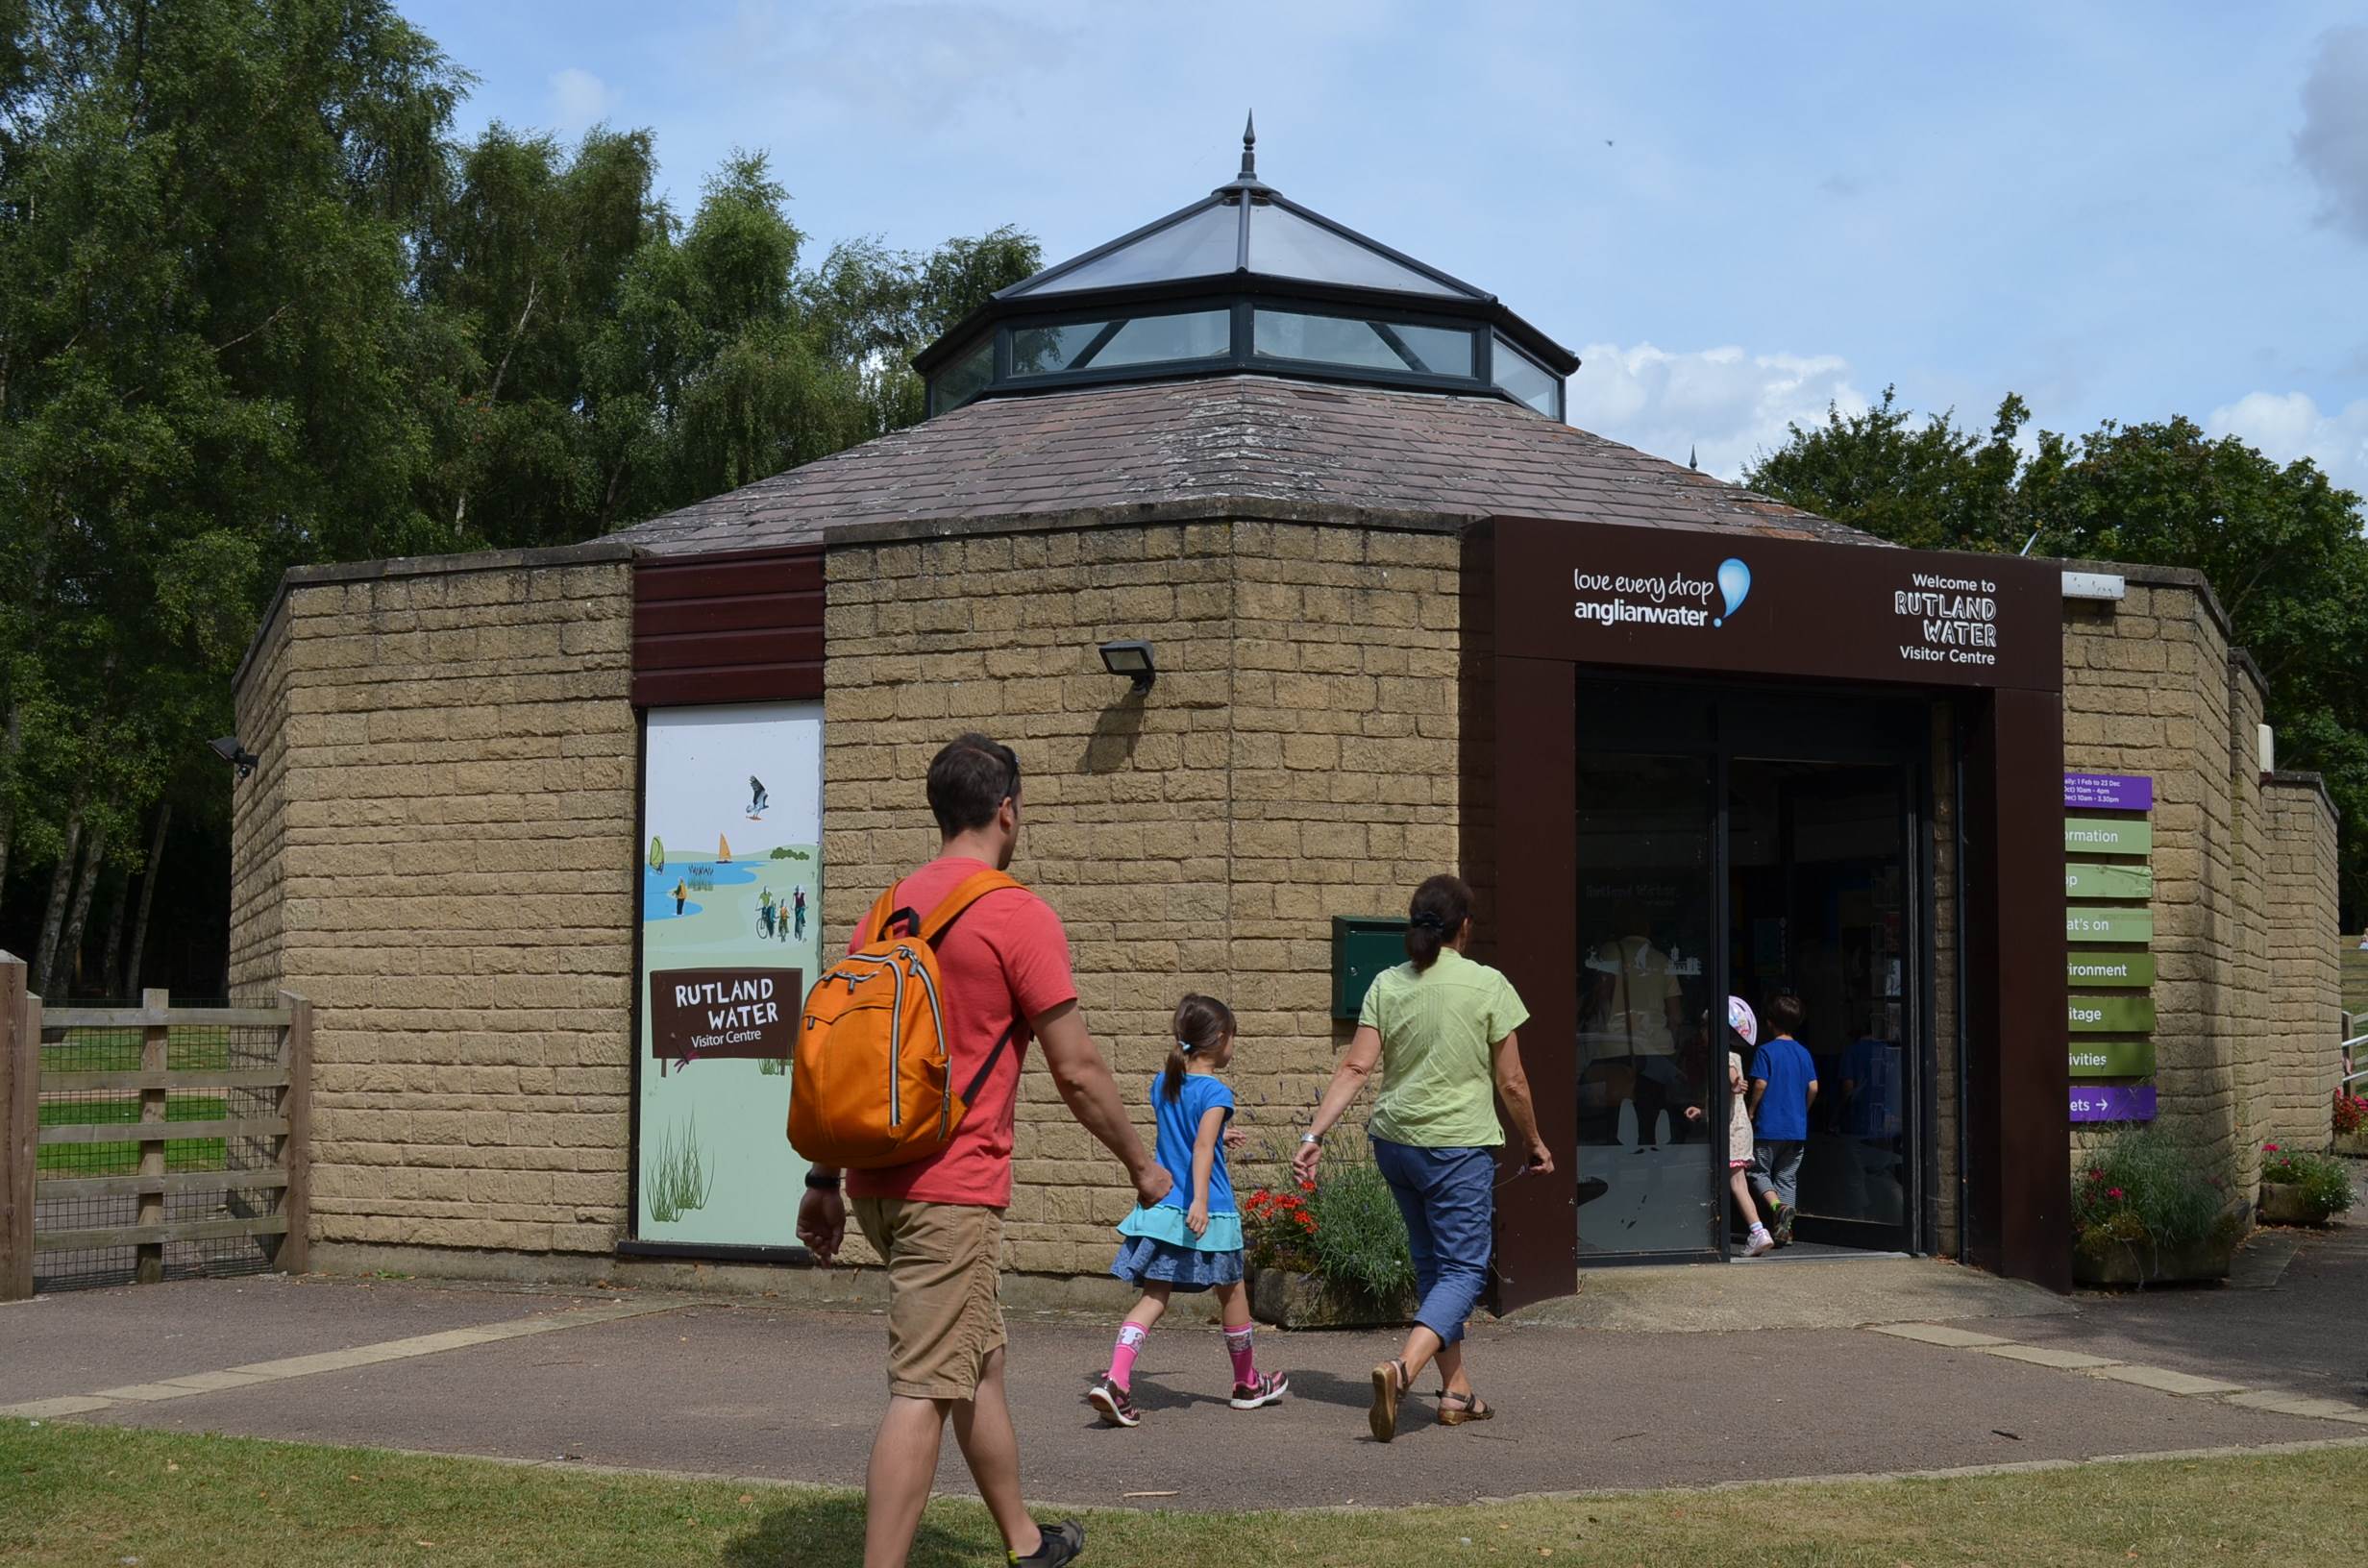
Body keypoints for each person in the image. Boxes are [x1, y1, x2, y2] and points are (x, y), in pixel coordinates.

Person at [795, 733, 1171, 1568]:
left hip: (876, 1183)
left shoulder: (885, 910)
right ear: (1007, 810)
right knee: (925, 1389)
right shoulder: (1015, 913)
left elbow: (847, 1059)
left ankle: (1025, 1541)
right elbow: (1077, 1070)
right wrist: (1143, 1166)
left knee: (979, 1361)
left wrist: (823, 1179)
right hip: (951, 1190)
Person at [1294, 873, 1550, 1443]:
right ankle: (1402, 1370)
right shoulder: (1487, 984)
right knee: (1463, 1271)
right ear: (1465, 927)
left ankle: (1456, 1392)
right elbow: (1511, 1081)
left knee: (1435, 1268)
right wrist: (1533, 1141)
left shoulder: (1387, 984)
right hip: (1456, 1147)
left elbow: (1355, 1068)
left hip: (1395, 1145)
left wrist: (1314, 1135)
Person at [1087, 993, 1288, 1428]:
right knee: (1233, 1293)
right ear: (1220, 1038)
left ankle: (1116, 1379)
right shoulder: (1216, 1091)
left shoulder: (1164, 1082)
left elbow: (1184, 1133)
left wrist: (1220, 1134)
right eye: (1234, 1037)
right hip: (1209, 1210)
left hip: (1163, 1209)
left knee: (1153, 1297)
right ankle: (1246, 1384)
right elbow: (1200, 1147)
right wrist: (1200, 1199)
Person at [1686, 996, 1776, 1257]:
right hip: (1736, 1128)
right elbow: (1729, 1098)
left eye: (1705, 1028)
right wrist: (1703, 1112)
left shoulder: (1724, 1056)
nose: (1702, 1033)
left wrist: (1736, 1084)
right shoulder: (1731, 1055)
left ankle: (1757, 1231)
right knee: (1736, 1182)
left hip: (1732, 1132)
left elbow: (1732, 1079)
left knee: (1735, 1183)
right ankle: (1755, 1230)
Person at [1748, 992, 1818, 1246]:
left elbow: (1760, 1083)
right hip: (1795, 1128)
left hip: (1768, 1126)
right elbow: (1813, 1087)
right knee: (1787, 1177)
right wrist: (1802, 1111)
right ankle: (1785, 1231)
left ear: (1769, 1022)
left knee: (1757, 1171)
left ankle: (1777, 1207)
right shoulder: (1803, 1052)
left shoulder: (1766, 1051)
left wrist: (1751, 1110)